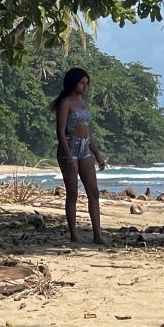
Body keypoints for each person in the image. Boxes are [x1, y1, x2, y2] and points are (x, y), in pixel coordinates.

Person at [52, 68, 108, 244]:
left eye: (87, 83)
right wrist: (69, 156)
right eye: (82, 83)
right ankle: (74, 235)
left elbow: (87, 133)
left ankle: (97, 235)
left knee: (93, 192)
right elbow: (60, 132)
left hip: (84, 148)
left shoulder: (84, 104)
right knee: (73, 193)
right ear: (73, 83)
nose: (85, 86)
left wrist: (97, 154)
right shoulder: (65, 103)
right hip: (69, 147)